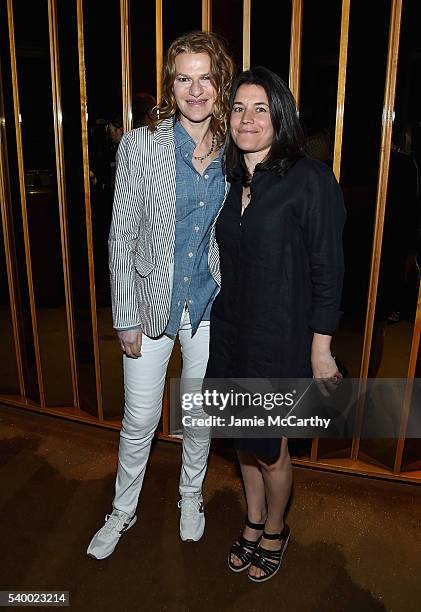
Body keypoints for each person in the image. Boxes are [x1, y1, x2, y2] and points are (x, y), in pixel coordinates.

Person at [86, 31, 235, 560]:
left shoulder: (233, 148)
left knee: (198, 414)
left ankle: (189, 494)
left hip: (209, 305)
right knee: (141, 419)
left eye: (205, 77)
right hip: (149, 305)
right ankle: (122, 509)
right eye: (183, 77)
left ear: (220, 81)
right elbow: (121, 233)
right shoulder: (141, 143)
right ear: (170, 85)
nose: (195, 89)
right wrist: (124, 315)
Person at [205, 67, 346, 582]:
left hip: (280, 337)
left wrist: (321, 348)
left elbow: (328, 269)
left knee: (272, 446)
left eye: (261, 108)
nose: (247, 118)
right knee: (243, 438)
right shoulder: (228, 178)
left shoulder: (309, 178)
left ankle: (276, 529)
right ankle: (253, 519)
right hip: (232, 334)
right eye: (239, 107)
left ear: (280, 116)